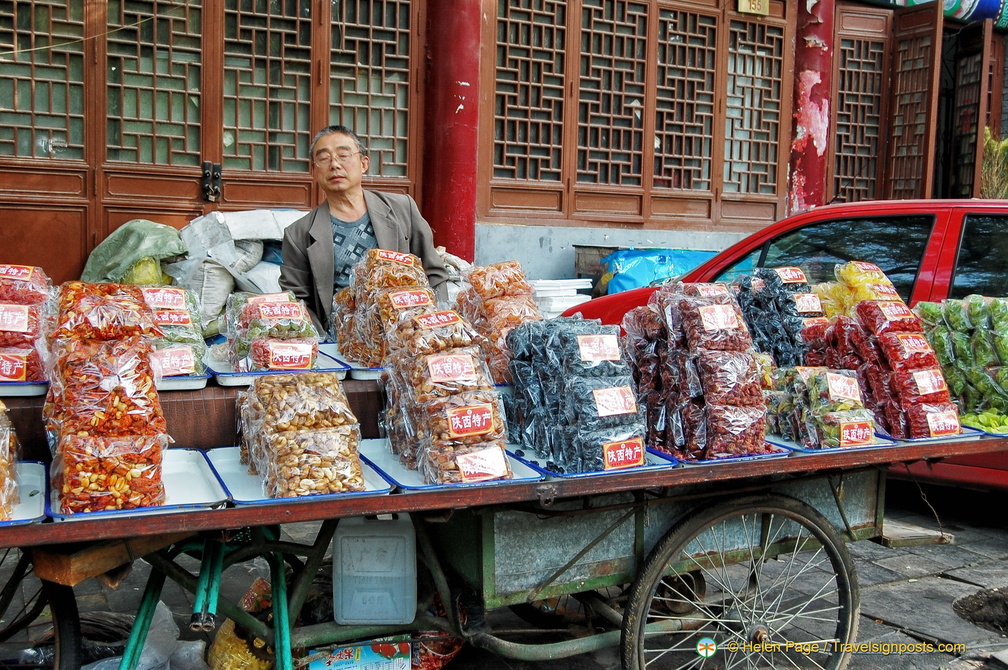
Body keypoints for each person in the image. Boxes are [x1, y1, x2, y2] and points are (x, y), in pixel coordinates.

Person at [279, 125, 449, 334]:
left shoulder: (402, 209)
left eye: (343, 155)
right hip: (340, 344)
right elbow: (297, 299)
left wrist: (437, 328)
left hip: (407, 335)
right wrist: (322, 343)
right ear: (314, 171)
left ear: (364, 163)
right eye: (324, 159)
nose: (334, 165)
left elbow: (434, 273)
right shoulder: (299, 234)